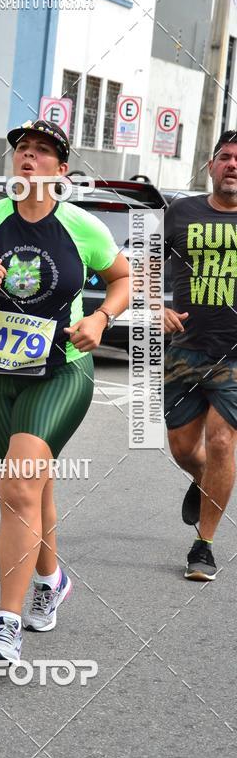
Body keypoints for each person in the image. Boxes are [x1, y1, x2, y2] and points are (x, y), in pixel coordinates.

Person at [0, 118, 130, 664]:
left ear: (61, 170)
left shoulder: (84, 228)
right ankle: (51, 579)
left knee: (15, 487)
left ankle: (6, 626)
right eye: (22, 150)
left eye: (42, 152)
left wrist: (102, 318)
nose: (28, 158)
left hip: (63, 371)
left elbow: (123, 280)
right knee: (32, 491)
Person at [164, 130, 237, 581]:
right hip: (184, 351)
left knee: (223, 441)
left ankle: (203, 545)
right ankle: (201, 478)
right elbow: (148, 263)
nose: (233, 165)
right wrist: (157, 305)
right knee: (183, 448)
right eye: (225, 157)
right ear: (211, 166)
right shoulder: (181, 212)